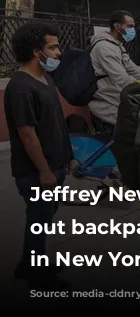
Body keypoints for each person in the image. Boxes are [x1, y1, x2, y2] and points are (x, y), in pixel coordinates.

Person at [4, 23, 75, 293]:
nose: (59, 52)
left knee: (42, 217)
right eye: (53, 47)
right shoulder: (21, 87)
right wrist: (44, 171)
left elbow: (57, 121)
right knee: (39, 220)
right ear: (37, 52)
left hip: (54, 165)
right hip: (35, 171)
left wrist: (67, 156)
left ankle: (27, 263)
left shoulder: (46, 79)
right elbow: (27, 134)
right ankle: (38, 275)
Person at [88, 10, 140, 137]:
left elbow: (133, 68)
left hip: (116, 100)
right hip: (106, 105)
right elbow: (122, 78)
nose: (133, 30)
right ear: (117, 27)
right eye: (130, 26)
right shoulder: (104, 47)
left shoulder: (117, 46)